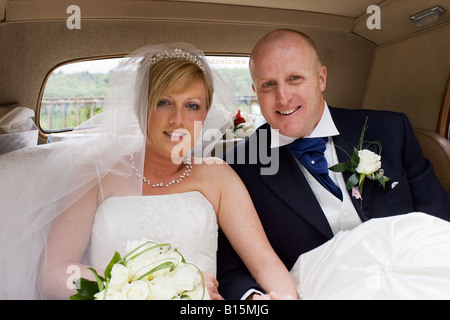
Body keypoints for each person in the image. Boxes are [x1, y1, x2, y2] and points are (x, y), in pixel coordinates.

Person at [0, 43, 297, 300]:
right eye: (163, 102)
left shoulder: (217, 176)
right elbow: (54, 276)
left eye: (191, 106)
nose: (177, 119)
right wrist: (155, 285)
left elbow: (264, 264)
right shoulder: (95, 175)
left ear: (204, 114)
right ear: (141, 106)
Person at [217, 29, 450, 299]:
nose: (283, 97)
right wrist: (255, 297)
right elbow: (232, 271)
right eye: (268, 84)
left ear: (321, 78)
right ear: (255, 90)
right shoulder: (237, 165)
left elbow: (439, 218)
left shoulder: (389, 129)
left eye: (295, 78)